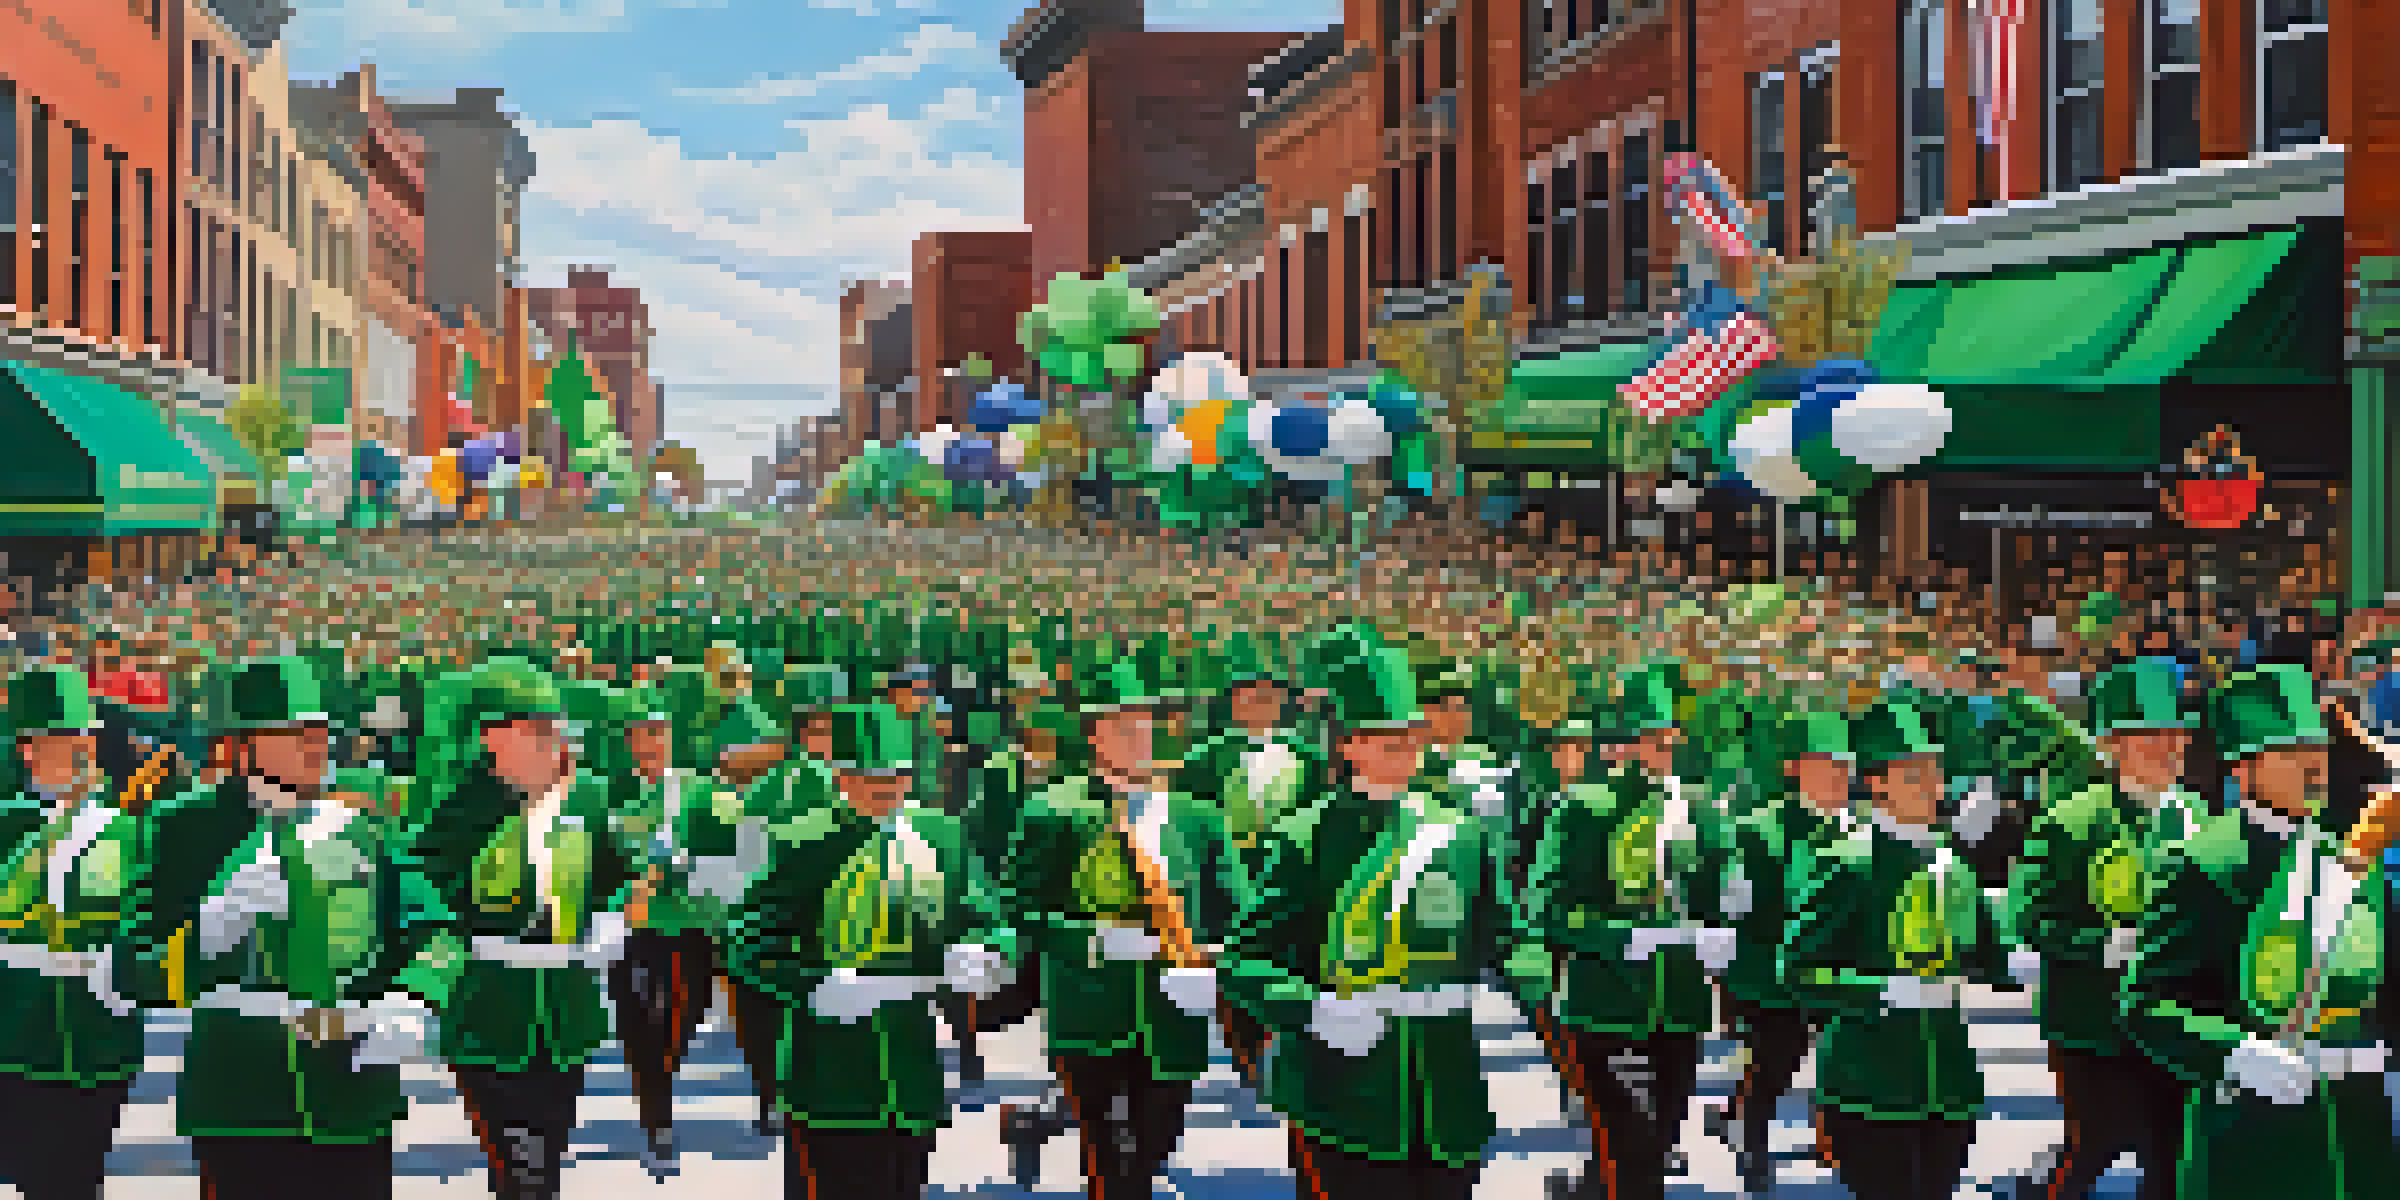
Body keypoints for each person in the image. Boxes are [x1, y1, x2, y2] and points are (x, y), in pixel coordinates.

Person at [1224, 631, 1550, 1200]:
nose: (1405, 746)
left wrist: (1544, 977)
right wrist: (1315, 1008)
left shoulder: (1461, 832)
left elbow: (1508, 933)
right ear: (1349, 745)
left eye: (1411, 735)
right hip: (1345, 1092)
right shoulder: (1307, 837)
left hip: (1445, 1085)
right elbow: (1245, 962)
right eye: (1387, 737)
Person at [121, 657, 451, 1200]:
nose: (317, 746)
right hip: (240, 1093)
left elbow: (430, 929)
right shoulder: (183, 828)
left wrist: (412, 1002)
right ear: (242, 745)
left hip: (350, 1090)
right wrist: (206, 932)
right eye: (297, 733)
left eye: (321, 732)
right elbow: (130, 961)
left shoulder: (359, 825)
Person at [2121, 663, 2398, 1198]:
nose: (2313, 766)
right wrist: (2235, 1051)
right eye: (2291, 753)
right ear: (2243, 768)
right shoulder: (2204, 862)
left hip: (2360, 1131)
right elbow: (2146, 1005)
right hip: (2254, 1133)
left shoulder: (2349, 854)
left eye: (2317, 749)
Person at [727, 701, 1015, 1199]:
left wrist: (985, 953)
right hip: (827, 1075)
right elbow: (746, 939)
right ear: (840, 775)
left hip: (911, 1069)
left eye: (897, 776)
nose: (887, 788)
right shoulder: (803, 839)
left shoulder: (941, 837)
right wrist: (812, 985)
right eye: (872, 777)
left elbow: (988, 915)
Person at [1787, 691, 2040, 1200]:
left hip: (1949, 1086)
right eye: (1913, 774)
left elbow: (1991, 958)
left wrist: (2040, 957)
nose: (1931, 786)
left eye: (1935, 771)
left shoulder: (1954, 862)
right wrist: (1881, 991)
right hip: (1868, 1087)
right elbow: (1797, 972)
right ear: (1877, 782)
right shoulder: (1849, 862)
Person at [1006, 655, 1242, 1200]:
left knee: (1156, 1141)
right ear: (1094, 736)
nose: (1138, 736)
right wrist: (1092, 940)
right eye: (1121, 725)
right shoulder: (1054, 809)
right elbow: (1018, 908)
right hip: (1089, 1009)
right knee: (1111, 1156)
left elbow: (1239, 908)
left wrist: (1216, 957)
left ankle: (1032, 1122)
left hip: (1172, 1013)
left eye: (1145, 724)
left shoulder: (1198, 817)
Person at [406, 657, 639, 1200]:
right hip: (490, 1003)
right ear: (491, 738)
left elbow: (614, 875)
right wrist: (430, 976)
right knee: (518, 1165)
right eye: (532, 727)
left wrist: (609, 919)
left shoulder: (586, 798)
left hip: (566, 1006)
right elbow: (419, 892)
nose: (549, 738)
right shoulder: (460, 807)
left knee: (549, 1153)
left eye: (551, 726)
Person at [1525, 662, 1736, 1200]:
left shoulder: (1704, 814)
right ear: (1619, 745)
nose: (1657, 749)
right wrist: (1620, 935)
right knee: (1635, 1148)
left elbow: (1723, 899)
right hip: (1607, 1007)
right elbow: (1545, 909)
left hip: (1682, 1010)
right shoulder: (1581, 808)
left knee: (1655, 1147)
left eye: (1666, 738)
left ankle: (1587, 1189)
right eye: (1645, 738)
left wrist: (1727, 924)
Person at [2009, 660, 2202, 1200]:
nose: (2166, 747)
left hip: (2180, 1021)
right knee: (2093, 1147)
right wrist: (2104, 947)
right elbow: (2030, 918)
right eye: (2149, 736)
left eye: (2176, 735)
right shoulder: (2071, 820)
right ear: (2112, 745)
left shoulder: (2203, 820)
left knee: (2172, 1155)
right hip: (2093, 1023)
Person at [0, 668, 146, 1200]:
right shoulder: (11, 823)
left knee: (66, 1181)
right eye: (36, 745)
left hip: (92, 1036)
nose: (80, 753)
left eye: (82, 742)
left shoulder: (129, 828)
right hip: (12, 1029)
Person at [1706, 705, 1857, 1195]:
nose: (1838, 776)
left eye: (1844, 766)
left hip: (1841, 973)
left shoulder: (1859, 832)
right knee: (1775, 1061)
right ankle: (1752, 1144)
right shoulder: (1756, 830)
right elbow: (1733, 906)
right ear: (1794, 768)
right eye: (1826, 764)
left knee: (1843, 1058)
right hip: (1769, 970)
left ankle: (1829, 1139)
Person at [607, 691, 746, 1178]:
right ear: (628, 742)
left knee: (679, 1024)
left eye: (658, 733)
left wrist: (681, 867)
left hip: (690, 930)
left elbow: (738, 854)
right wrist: (626, 891)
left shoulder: (703, 794)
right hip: (633, 932)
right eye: (640, 734)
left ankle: (659, 1084)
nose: (650, 743)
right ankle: (657, 1122)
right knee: (640, 1022)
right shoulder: (609, 796)